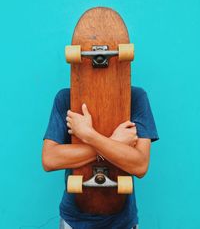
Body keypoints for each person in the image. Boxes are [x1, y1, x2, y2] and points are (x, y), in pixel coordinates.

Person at [42, 86, 159, 229]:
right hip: (73, 221)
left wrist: (88, 135)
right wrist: (114, 142)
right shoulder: (65, 97)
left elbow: (140, 165)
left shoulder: (136, 96)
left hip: (123, 221)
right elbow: (50, 159)